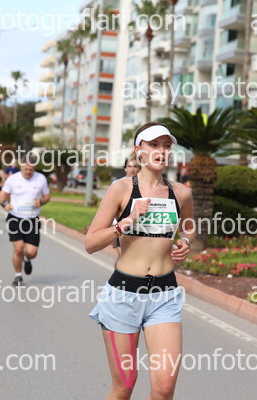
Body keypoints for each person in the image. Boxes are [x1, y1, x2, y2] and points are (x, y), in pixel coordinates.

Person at [85, 122, 195, 400]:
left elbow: (190, 227)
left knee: (164, 388)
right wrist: (124, 224)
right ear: (139, 151)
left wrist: (186, 242)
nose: (161, 151)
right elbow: (91, 243)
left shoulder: (181, 193)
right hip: (123, 294)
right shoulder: (121, 189)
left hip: (164, 294)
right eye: (153, 145)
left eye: (166, 146)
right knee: (124, 386)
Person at [0, 154, 50, 287]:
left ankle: (27, 258)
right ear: (21, 166)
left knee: (32, 252)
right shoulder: (13, 179)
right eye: (26, 169)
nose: (28, 172)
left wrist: (41, 202)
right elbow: (2, 195)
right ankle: (18, 276)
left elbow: (47, 196)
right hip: (15, 218)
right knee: (18, 249)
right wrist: (5, 204)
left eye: (31, 170)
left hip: (32, 219)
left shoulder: (41, 178)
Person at [111, 158, 141, 263]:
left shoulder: (143, 184)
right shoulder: (117, 184)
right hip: (119, 225)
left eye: (135, 166)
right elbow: (111, 207)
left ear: (140, 168)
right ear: (125, 168)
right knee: (122, 257)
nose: (132, 169)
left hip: (137, 226)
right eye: (130, 166)